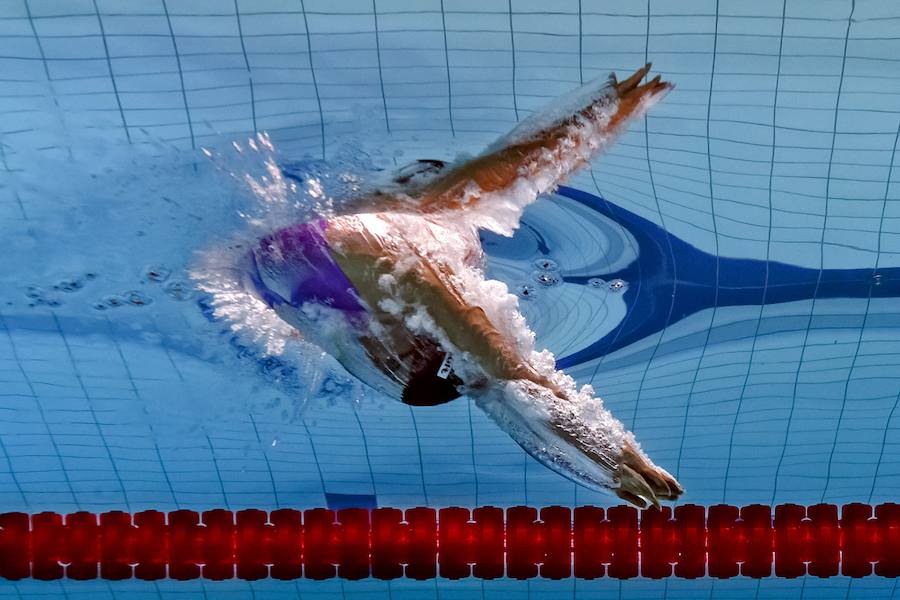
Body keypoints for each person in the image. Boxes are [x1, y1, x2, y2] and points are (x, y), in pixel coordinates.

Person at [246, 64, 682, 508]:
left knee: (497, 365)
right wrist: (613, 460)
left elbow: (508, 167)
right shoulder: (422, 246)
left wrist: (601, 111)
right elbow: (511, 385)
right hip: (295, 287)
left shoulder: (410, 233)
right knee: (496, 369)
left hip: (305, 262)